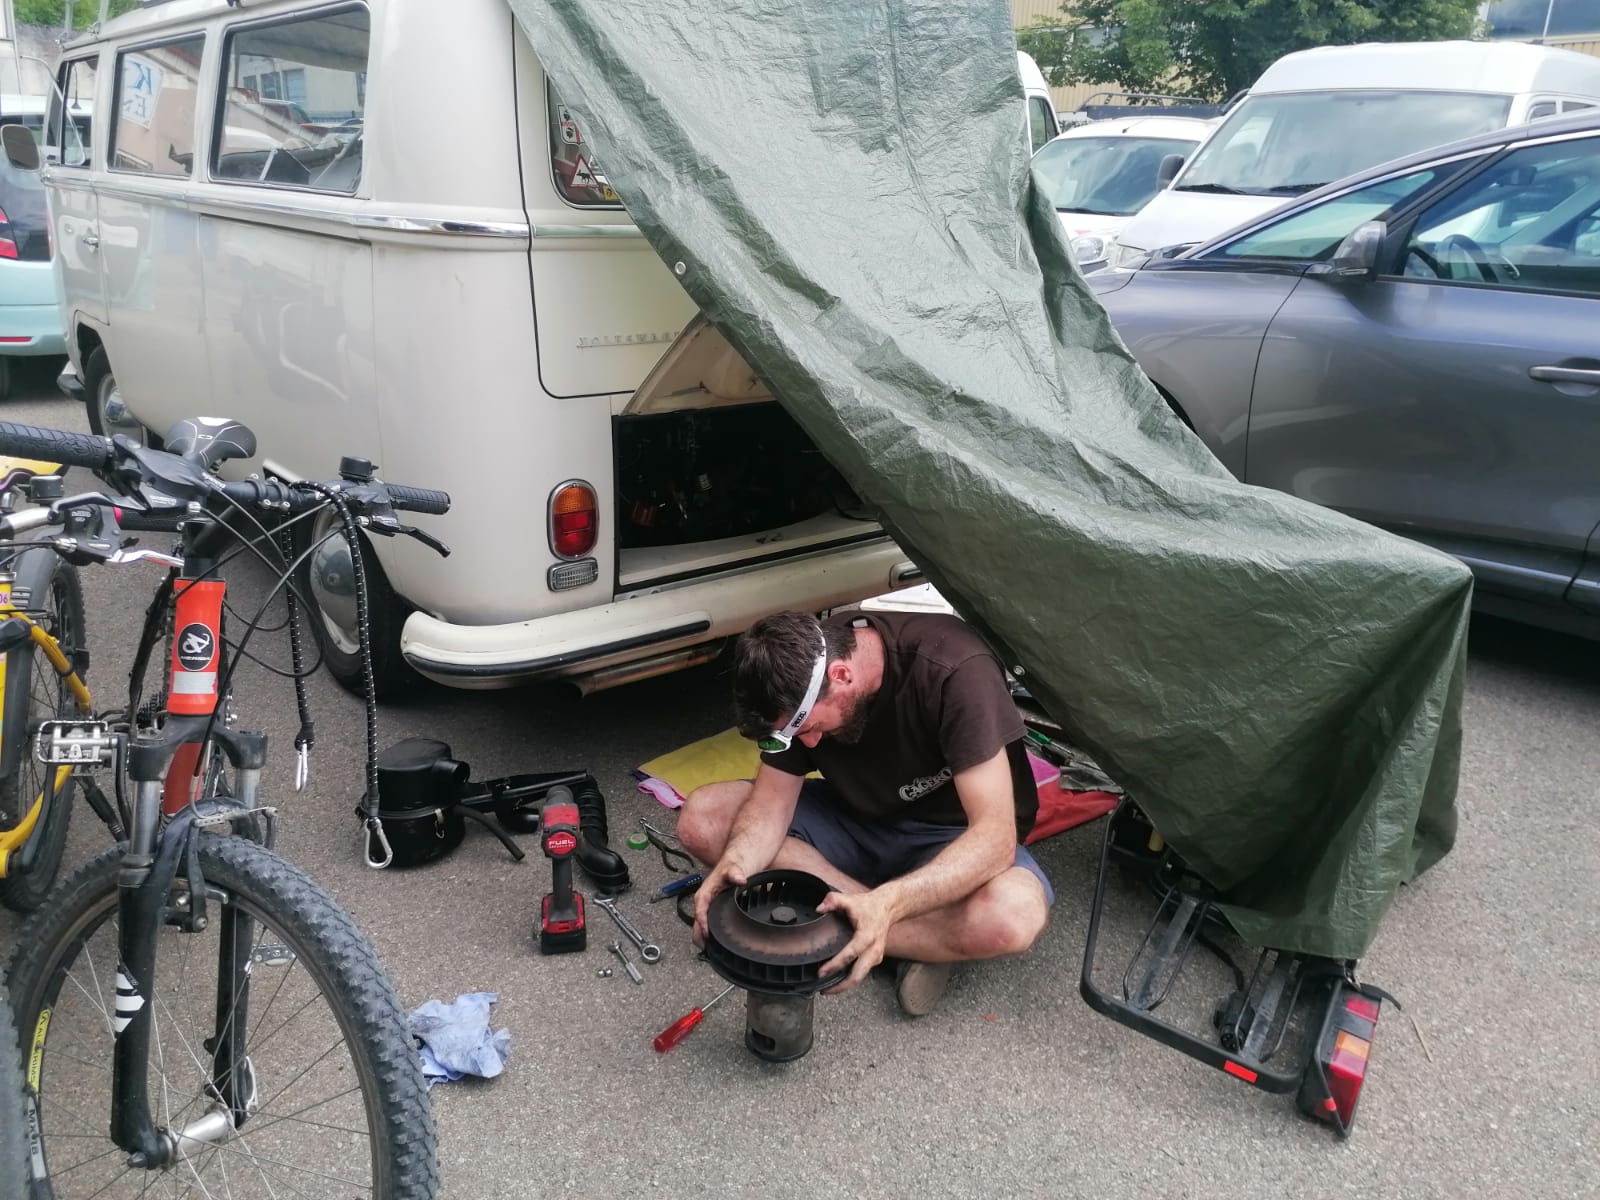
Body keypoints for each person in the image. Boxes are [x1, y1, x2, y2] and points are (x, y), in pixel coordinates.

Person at [682, 609, 1053, 1016]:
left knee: (1012, 916)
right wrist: (735, 864)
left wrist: (889, 902)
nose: (810, 742)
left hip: (949, 835)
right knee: (705, 820)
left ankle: (861, 926)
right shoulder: (799, 679)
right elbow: (771, 806)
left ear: (841, 676)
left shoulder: (955, 669)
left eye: (809, 728)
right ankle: (904, 942)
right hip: (856, 819)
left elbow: (995, 838)